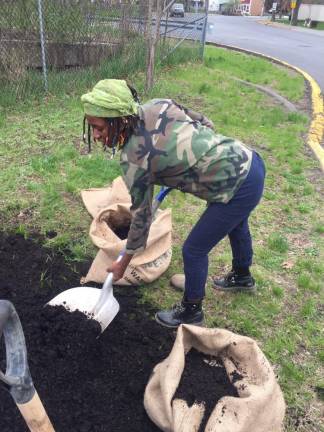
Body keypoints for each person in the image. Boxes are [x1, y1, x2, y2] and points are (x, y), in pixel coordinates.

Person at [81, 79, 266, 328]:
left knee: (193, 249)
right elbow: (204, 121)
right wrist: (191, 158)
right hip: (249, 160)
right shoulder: (157, 105)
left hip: (237, 184)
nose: (96, 135)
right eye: (91, 127)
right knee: (236, 223)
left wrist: (123, 262)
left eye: (99, 127)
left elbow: (142, 217)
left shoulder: (135, 160)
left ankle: (191, 310)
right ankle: (242, 277)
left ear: (120, 119)